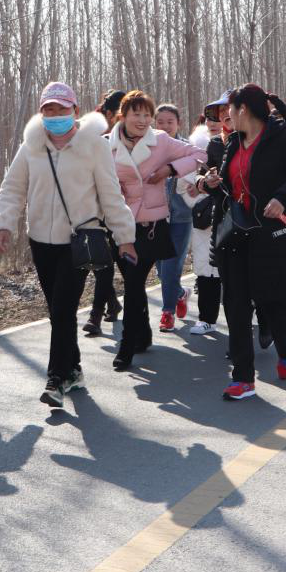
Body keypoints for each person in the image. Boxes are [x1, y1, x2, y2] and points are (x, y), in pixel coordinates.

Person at [0, 82, 137, 408]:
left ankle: (56, 379)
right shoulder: (31, 145)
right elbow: (13, 187)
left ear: (75, 110)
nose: (55, 115)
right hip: (41, 242)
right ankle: (73, 368)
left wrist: (125, 237)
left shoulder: (94, 146)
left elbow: (111, 194)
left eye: (61, 109)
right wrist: (4, 223)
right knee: (60, 312)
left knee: (61, 309)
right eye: (49, 109)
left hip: (79, 241)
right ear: (41, 113)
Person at [202, 84, 286, 400]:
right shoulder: (234, 142)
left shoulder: (283, 136)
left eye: (229, 109)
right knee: (235, 305)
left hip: (270, 236)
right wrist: (210, 183)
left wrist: (282, 198)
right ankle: (243, 379)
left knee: (272, 301)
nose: (226, 116)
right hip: (237, 236)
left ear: (243, 110)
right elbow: (226, 185)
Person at [105, 91, 204, 369]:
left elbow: (199, 154)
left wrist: (170, 169)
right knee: (133, 284)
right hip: (119, 225)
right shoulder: (106, 144)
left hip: (151, 226)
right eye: (136, 114)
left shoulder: (160, 141)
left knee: (134, 284)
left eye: (147, 115)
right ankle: (144, 334)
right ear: (122, 116)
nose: (142, 120)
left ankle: (126, 347)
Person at [83, 88, 128, 337]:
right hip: (95, 208)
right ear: (109, 114)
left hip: (122, 206)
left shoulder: (130, 135)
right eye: (119, 115)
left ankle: (111, 304)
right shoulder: (92, 134)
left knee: (109, 261)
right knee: (101, 261)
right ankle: (96, 314)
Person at [178, 112, 222, 336]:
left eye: (221, 118)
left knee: (237, 272)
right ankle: (207, 319)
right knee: (205, 269)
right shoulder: (194, 147)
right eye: (210, 119)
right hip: (204, 219)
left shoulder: (241, 144)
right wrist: (198, 193)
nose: (214, 123)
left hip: (234, 217)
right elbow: (183, 184)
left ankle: (246, 319)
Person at [152, 103, 194, 331]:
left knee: (171, 266)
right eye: (160, 122)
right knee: (160, 269)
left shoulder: (187, 149)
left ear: (179, 123)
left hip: (181, 217)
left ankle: (167, 313)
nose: (165, 126)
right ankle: (179, 294)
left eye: (170, 122)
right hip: (155, 217)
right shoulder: (147, 148)